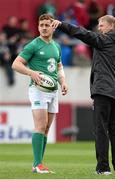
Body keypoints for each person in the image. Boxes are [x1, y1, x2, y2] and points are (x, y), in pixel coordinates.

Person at [51, 15, 115, 176]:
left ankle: (103, 168)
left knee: (101, 130)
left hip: (102, 92)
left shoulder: (103, 41)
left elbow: (81, 32)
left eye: (101, 25)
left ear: (111, 26)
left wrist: (61, 24)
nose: (99, 28)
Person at [12, 14, 68, 173]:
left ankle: (39, 164)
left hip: (53, 91)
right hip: (38, 90)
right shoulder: (33, 45)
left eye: (47, 25)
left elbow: (58, 67)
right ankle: (37, 164)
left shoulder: (56, 46)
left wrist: (63, 81)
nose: (44, 27)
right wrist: (31, 73)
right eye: (41, 25)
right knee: (40, 126)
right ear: (38, 27)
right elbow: (16, 64)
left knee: (46, 129)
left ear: (53, 27)